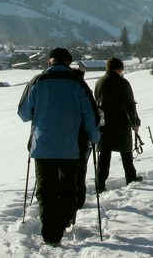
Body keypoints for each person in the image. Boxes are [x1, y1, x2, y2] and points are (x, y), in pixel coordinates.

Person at [17, 48, 100, 245]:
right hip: (71, 148)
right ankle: (63, 221)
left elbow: (23, 113)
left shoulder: (37, 82)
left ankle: (50, 233)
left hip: (43, 147)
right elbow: (91, 115)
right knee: (68, 188)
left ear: (50, 62)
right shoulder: (78, 84)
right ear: (68, 63)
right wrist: (95, 137)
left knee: (46, 190)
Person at [95, 57, 142, 193]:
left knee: (104, 157)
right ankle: (131, 178)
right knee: (126, 154)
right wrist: (135, 122)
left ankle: (100, 184)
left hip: (104, 125)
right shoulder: (123, 83)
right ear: (119, 69)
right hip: (121, 123)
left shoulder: (99, 82)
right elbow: (130, 105)